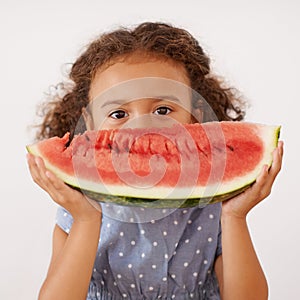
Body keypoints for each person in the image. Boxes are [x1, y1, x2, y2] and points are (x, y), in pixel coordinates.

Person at [27, 22, 283, 300]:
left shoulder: (212, 207)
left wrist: (235, 215)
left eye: (163, 109)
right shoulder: (77, 206)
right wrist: (86, 219)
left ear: (195, 117)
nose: (141, 127)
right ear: (89, 123)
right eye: (118, 113)